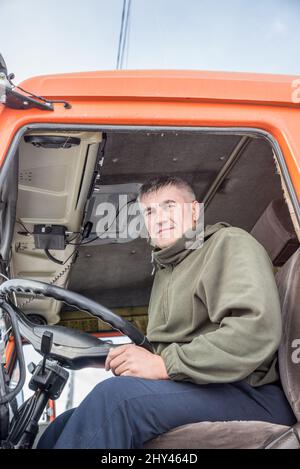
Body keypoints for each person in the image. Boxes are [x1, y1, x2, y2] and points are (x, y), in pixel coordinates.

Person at [37, 175, 296, 449]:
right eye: (149, 211)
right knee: (61, 425)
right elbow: (169, 351)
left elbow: (253, 331)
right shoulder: (166, 270)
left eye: (170, 206)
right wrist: (121, 358)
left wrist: (163, 364)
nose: (159, 218)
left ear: (195, 211)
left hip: (250, 391)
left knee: (114, 401)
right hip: (201, 385)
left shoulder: (228, 243)